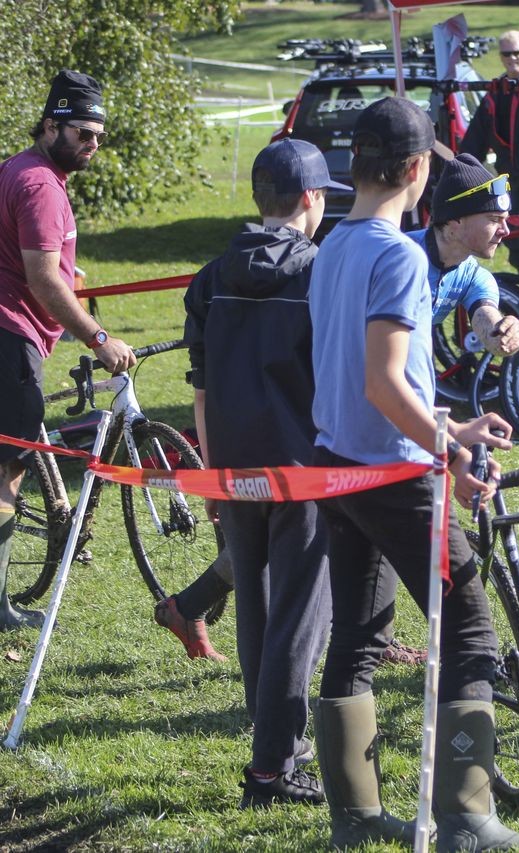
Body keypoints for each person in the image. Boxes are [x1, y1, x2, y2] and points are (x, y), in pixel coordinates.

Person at [308, 96, 519, 851]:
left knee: (358, 635)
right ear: (420, 172)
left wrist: (448, 426)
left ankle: (356, 820)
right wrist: (448, 450)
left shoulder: (336, 243)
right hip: (390, 471)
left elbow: (364, 376)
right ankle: (467, 817)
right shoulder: (394, 253)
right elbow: (386, 382)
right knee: (469, 626)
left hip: (341, 463)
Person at [154, 155, 519, 667]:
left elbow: (485, 312)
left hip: (295, 440)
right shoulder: (380, 259)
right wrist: (449, 442)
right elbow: (365, 376)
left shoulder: (461, 270)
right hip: (334, 438)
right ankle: (285, 716)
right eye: (494, 217)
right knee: (307, 586)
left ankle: (207, 622)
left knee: (296, 571)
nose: (505, 228)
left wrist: (504, 330)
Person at [184, 137, 350, 808]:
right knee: (299, 618)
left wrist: (213, 472)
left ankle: (272, 746)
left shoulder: (211, 277)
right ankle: (273, 767)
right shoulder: (321, 273)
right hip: (302, 469)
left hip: (232, 463)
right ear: (310, 200)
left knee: (255, 605)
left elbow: (199, 389)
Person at [0, 69, 135, 632]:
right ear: (52, 124)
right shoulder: (40, 185)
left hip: (10, 332)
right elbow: (41, 279)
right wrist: (98, 338)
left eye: (99, 136)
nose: (93, 145)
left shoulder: (19, 169)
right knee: (6, 474)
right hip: (9, 334)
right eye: (83, 133)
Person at [459, 30, 519, 292]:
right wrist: (462, 170)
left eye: (517, 53)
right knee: (512, 240)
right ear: (501, 57)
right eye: (507, 53)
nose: (512, 58)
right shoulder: (495, 94)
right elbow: (475, 139)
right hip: (508, 175)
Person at [408, 152, 519, 355]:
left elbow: (489, 328)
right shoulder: (400, 258)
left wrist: (508, 333)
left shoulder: (472, 276)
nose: (505, 231)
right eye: (494, 219)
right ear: (456, 220)